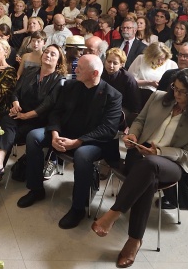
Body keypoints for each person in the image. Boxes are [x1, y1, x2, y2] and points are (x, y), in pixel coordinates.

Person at [91, 69, 188, 268]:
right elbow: (139, 121)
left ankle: (114, 213)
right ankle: (134, 241)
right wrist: (133, 135)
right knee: (148, 176)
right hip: (139, 155)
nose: (177, 94)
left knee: (150, 165)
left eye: (183, 92)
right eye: (176, 88)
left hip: (172, 164)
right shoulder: (158, 98)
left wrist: (160, 152)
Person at [16, 55, 123, 231]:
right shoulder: (71, 86)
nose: (75, 69)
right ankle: (36, 189)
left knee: (82, 155)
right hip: (64, 133)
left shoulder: (113, 95)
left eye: (80, 67)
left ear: (94, 73)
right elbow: (56, 112)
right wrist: (55, 134)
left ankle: (78, 208)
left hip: (93, 141)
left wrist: (77, 142)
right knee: (34, 136)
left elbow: (108, 129)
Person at [0, 45, 68, 190]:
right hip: (19, 114)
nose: (48, 55)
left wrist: (26, 115)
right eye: (46, 52)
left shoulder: (59, 80)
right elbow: (15, 91)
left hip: (38, 120)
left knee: (9, 133)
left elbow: (48, 104)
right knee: (7, 120)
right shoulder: (30, 71)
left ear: (58, 61)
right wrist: (15, 102)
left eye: (53, 54)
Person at [101, 47, 141, 121]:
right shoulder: (100, 73)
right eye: (109, 61)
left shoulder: (128, 78)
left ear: (121, 65)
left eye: (115, 63)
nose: (111, 65)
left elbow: (135, 104)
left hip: (122, 109)